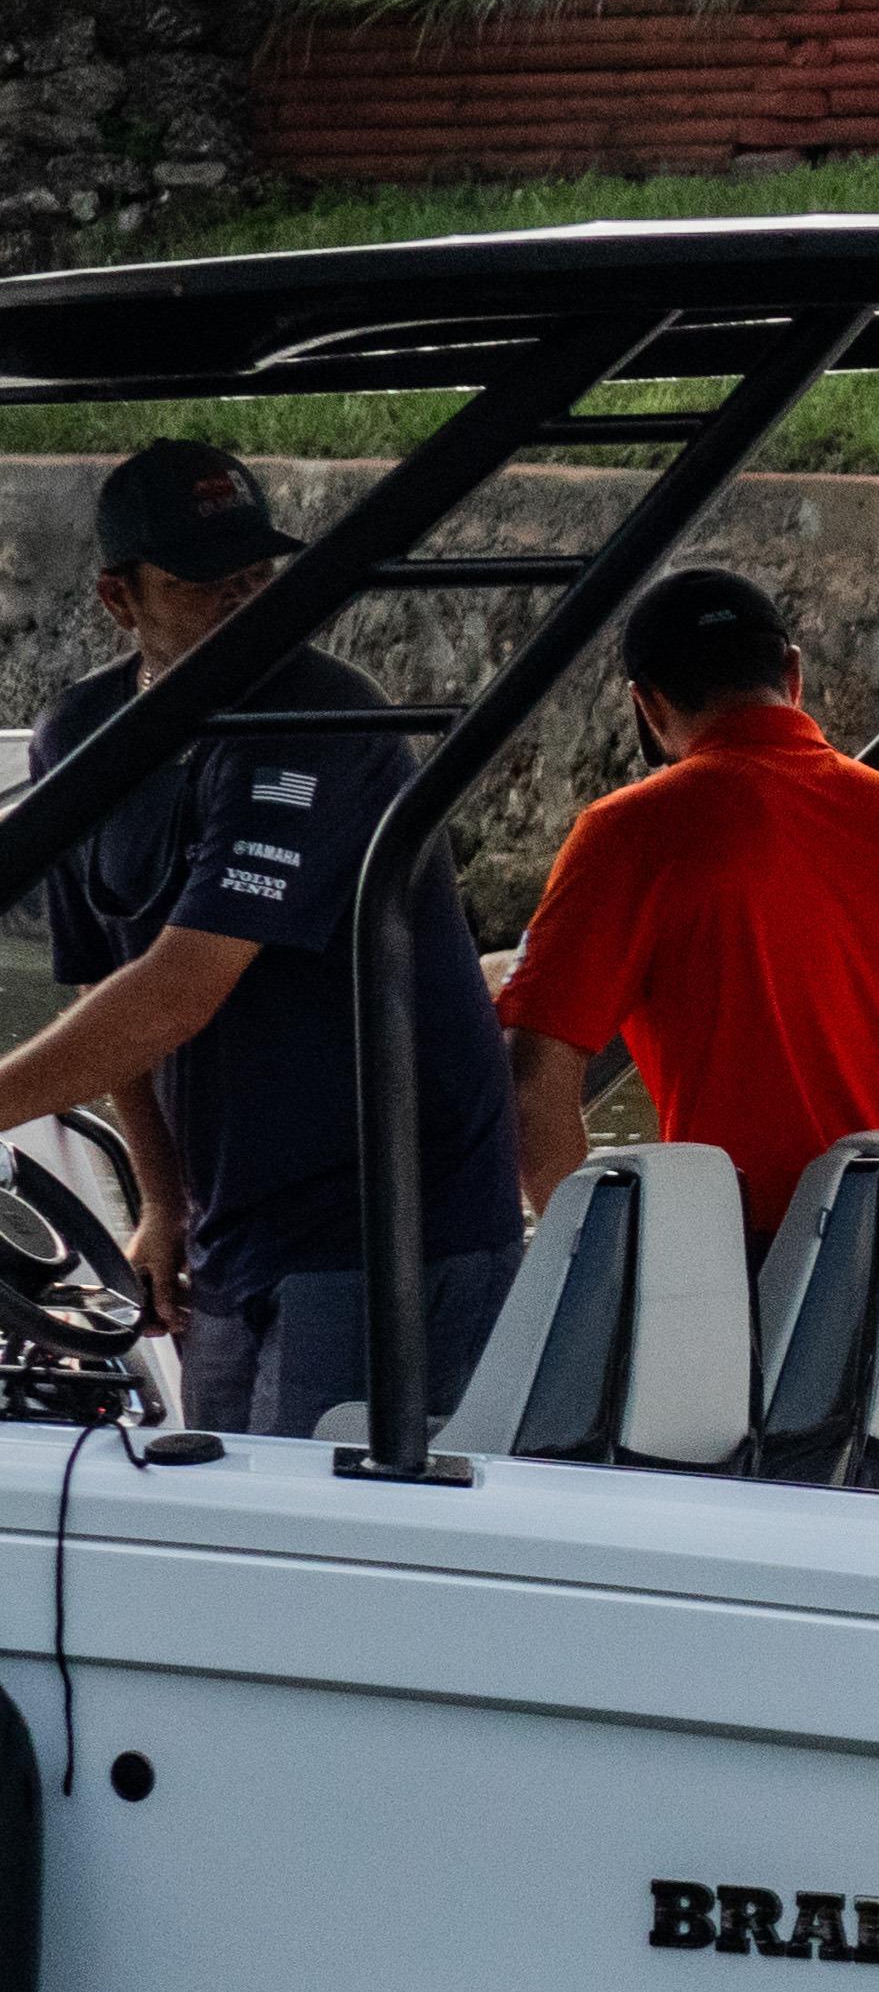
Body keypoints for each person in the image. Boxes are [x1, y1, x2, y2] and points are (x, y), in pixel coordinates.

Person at [2, 441, 525, 1436]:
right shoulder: (82, 734)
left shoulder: (320, 719)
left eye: (258, 575)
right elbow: (106, 987)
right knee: (215, 1480)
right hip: (235, 1219)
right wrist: (162, 1201)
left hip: (391, 1215)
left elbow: (180, 987)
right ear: (120, 599)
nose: (245, 603)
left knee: (320, 1504)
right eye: (203, 584)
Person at [499, 568, 879, 1337]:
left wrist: (600, 1279)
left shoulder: (630, 836)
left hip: (742, 1280)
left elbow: (532, 1090)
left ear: (648, 706)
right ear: (793, 675)